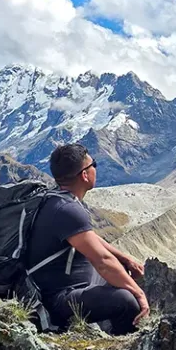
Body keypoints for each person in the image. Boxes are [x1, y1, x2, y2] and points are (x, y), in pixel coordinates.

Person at [26, 143, 150, 334]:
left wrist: (125, 259)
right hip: (57, 301)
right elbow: (102, 262)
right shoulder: (67, 210)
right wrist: (139, 294)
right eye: (94, 165)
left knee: (122, 270)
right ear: (85, 175)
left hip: (60, 287)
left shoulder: (57, 199)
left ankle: (104, 328)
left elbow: (88, 238)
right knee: (127, 301)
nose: (95, 169)